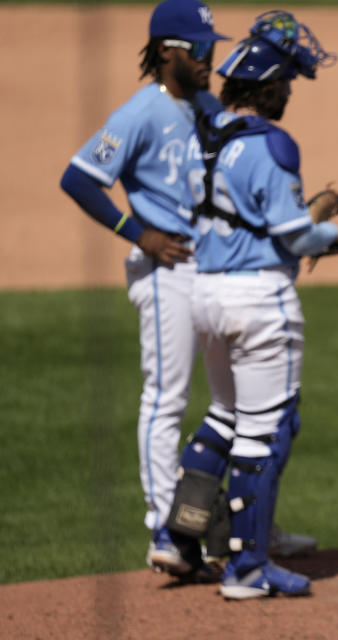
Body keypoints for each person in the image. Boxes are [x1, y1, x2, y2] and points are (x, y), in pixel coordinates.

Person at [174, 10, 338, 598]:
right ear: (268, 85)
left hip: (203, 295)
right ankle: (248, 567)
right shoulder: (272, 142)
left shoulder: (202, 134)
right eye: (285, 84)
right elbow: (294, 237)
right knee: (264, 430)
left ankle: (178, 535)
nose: (288, 95)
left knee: (223, 416)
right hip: (258, 301)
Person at [58, 0, 232, 575]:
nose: (211, 58)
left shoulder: (208, 105)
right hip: (166, 274)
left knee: (233, 400)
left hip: (214, 271)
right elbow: (79, 178)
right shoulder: (138, 113)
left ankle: (235, 520)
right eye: (200, 48)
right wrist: (137, 232)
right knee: (168, 397)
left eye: (213, 46)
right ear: (166, 51)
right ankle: (164, 522)